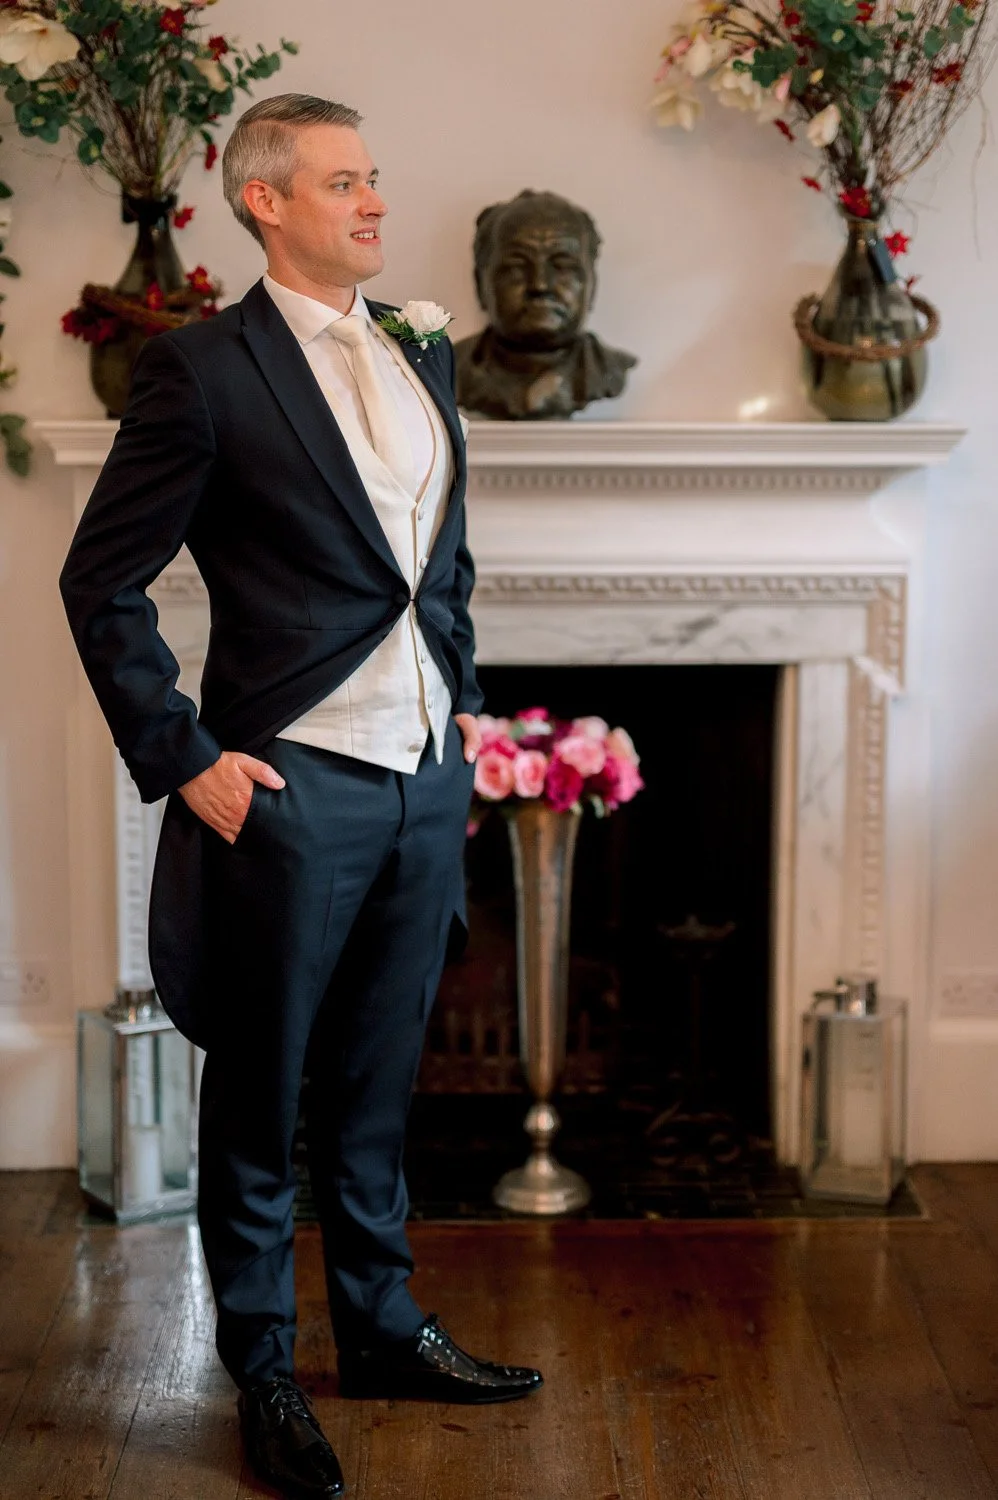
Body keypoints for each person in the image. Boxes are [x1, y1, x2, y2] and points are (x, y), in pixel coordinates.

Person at [59, 93, 542, 1500]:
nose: (376, 204)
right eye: (345, 183)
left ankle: (384, 1333)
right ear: (265, 201)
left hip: (417, 773)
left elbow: (431, 567)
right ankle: (263, 1367)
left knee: (377, 1083)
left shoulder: (416, 353)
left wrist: (456, 699)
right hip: (285, 786)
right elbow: (103, 582)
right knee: (262, 1094)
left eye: (374, 179)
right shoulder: (199, 373)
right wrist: (187, 759)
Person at [453, 187, 637, 419]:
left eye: (561, 266)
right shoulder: (448, 370)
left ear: (592, 284)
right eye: (517, 267)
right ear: (481, 282)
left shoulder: (609, 370)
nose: (540, 285)